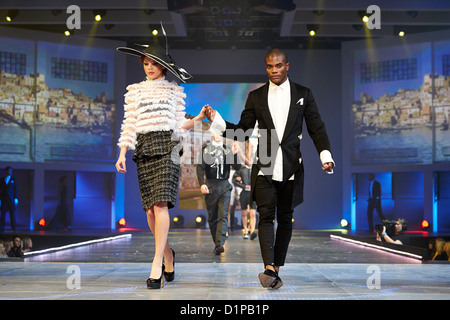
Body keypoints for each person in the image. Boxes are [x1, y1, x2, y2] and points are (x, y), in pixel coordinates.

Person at [205, 48, 335, 289]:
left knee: (285, 218)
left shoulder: (304, 94)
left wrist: (325, 155)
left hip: (291, 167)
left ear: (287, 66)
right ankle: (268, 267)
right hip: (264, 162)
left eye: (278, 66)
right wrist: (217, 121)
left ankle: (275, 268)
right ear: (266, 68)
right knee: (265, 216)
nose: (274, 70)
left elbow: (316, 127)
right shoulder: (256, 96)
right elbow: (243, 131)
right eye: (269, 67)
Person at [115, 36, 205, 289]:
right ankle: (167, 254)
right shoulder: (135, 91)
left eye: (154, 63)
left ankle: (156, 264)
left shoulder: (174, 91)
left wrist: (197, 117)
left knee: (161, 204)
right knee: (150, 211)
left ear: (164, 66)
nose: (149, 67)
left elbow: (179, 125)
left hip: (169, 147)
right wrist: (122, 153)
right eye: (145, 63)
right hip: (144, 147)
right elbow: (129, 124)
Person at [196, 132, 240, 255]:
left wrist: (235, 155)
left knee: (223, 215)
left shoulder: (228, 150)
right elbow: (200, 167)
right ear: (212, 133)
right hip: (210, 185)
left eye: (221, 132)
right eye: (216, 131)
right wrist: (201, 184)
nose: (218, 134)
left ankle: (220, 243)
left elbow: (237, 167)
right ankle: (217, 243)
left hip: (225, 186)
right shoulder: (206, 149)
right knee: (212, 217)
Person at [0, 166, 18, 232]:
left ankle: (14, 228)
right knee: (2, 214)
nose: (10, 172)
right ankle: (1, 228)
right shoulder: (1, 179)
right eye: (8, 171)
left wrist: (16, 198)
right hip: (4, 199)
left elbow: (15, 189)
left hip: (11, 200)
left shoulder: (13, 179)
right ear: (6, 171)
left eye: (11, 171)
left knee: (12, 214)